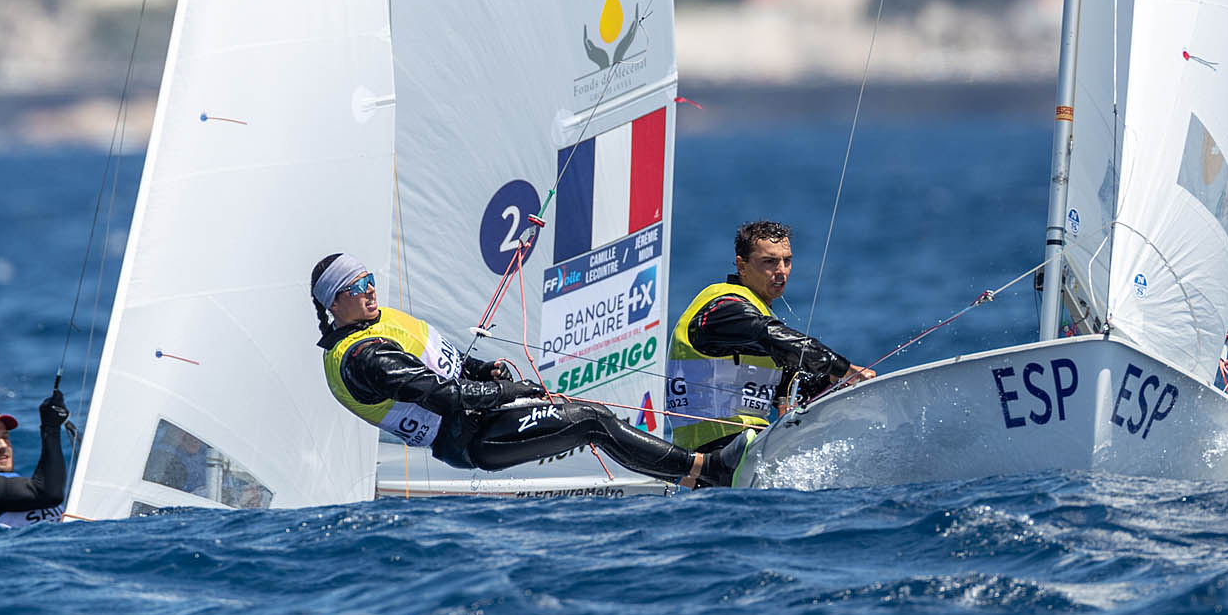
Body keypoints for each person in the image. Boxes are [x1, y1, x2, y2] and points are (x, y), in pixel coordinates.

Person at [311, 253, 749, 489]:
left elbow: (450, 363)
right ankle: (707, 469)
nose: (369, 291)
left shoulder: (380, 319)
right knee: (592, 421)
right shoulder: (364, 358)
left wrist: (487, 368)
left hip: (483, 418)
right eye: (356, 288)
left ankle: (695, 474)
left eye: (370, 280)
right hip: (472, 439)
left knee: (593, 417)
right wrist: (508, 392)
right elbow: (445, 396)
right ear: (335, 303)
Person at [667, 220, 876, 453]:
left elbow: (787, 386)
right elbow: (773, 336)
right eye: (769, 262)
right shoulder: (724, 306)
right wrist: (842, 368)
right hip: (711, 453)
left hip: (749, 445)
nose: (781, 271)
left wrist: (833, 385)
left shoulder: (758, 310)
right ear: (742, 266)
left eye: (787, 261)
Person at [0, 391, 69, 526]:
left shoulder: (23, 485)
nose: (3, 445)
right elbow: (50, 494)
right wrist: (51, 428)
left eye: (5, 437)